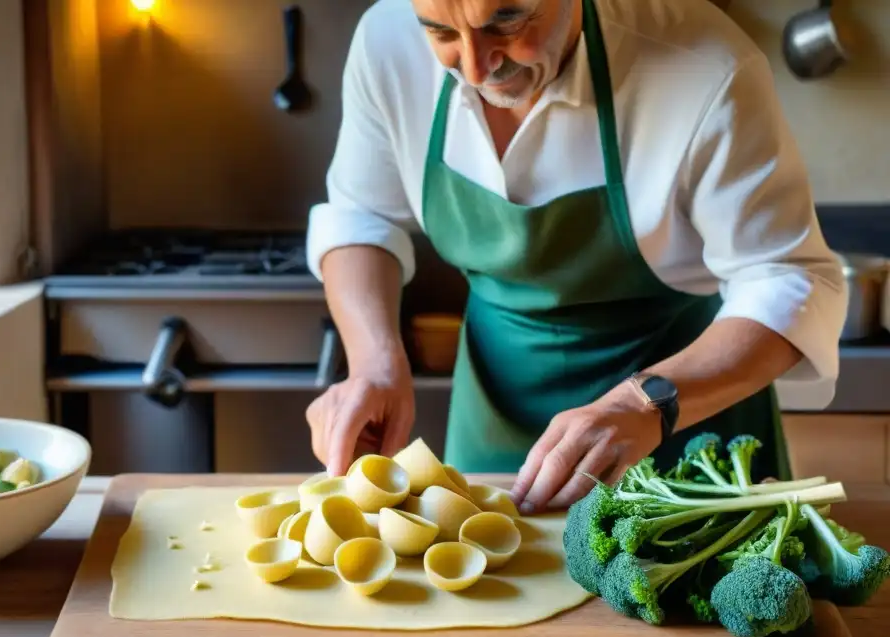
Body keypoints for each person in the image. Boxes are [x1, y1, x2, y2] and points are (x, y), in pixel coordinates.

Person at [304, 0, 847, 515]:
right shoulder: (386, 41)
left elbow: (787, 278)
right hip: (495, 412)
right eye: (441, 32)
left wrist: (644, 406)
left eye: (508, 21)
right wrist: (375, 363)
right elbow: (361, 216)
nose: (473, 68)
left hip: (682, 418)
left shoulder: (705, 65)